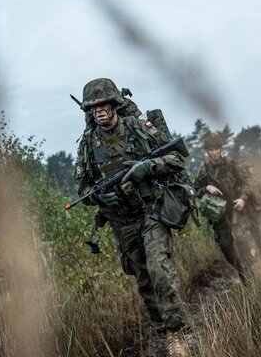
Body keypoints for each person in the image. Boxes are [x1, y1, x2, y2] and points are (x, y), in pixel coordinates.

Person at [74, 78, 190, 356]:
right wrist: (98, 196)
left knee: (159, 269)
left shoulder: (139, 129)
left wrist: (146, 167)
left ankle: (176, 334)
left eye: (103, 105)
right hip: (121, 220)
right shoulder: (88, 145)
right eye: (93, 107)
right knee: (143, 279)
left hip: (151, 211)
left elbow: (177, 158)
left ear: (114, 105)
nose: (99, 111)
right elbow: (83, 187)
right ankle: (163, 330)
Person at [194, 135, 255, 280]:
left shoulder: (231, 164)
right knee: (225, 246)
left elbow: (247, 184)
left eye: (216, 149)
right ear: (207, 151)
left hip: (235, 209)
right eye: (210, 149)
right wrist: (207, 187)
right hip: (218, 213)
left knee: (241, 240)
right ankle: (241, 273)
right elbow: (194, 188)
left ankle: (251, 273)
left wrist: (242, 199)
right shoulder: (204, 169)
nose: (214, 152)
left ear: (221, 149)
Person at [240, 163, 261, 257]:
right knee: (255, 233)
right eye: (248, 168)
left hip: (260, 209)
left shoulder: (257, 181)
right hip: (249, 212)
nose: (250, 170)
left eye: (251, 168)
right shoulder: (241, 183)